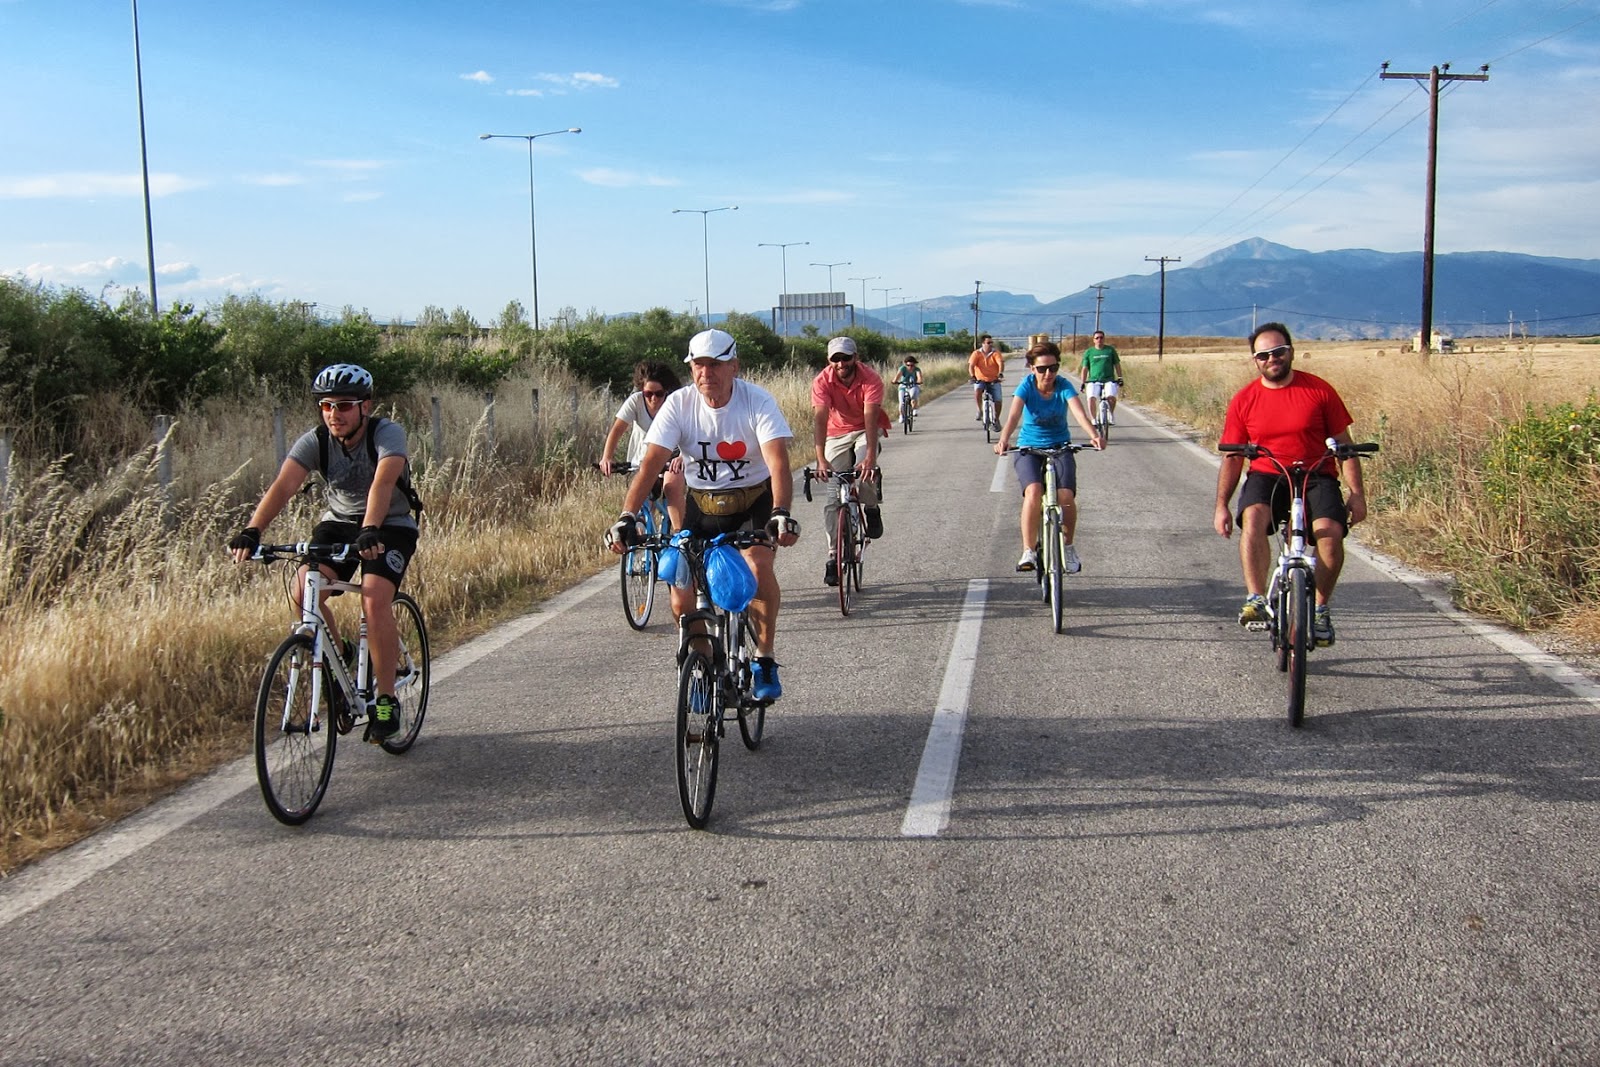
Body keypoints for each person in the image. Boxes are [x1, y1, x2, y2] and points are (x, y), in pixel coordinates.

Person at [604, 329, 800, 699]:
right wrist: (627, 516)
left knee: (758, 568)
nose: (705, 373)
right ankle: (702, 666)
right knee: (682, 594)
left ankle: (764, 658)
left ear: (734, 367)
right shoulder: (679, 404)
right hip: (704, 504)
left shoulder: (757, 402)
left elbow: (778, 464)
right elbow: (650, 465)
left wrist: (780, 512)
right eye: (698, 365)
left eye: (715, 364)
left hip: (753, 501)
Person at [228, 363, 419, 742]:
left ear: (365, 406)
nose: (334, 414)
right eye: (327, 406)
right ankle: (340, 655)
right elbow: (283, 486)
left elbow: (382, 484)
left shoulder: (387, 434)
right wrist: (253, 530)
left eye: (344, 405)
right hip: (339, 523)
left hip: (389, 525)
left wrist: (370, 528)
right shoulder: (315, 441)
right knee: (305, 593)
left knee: (373, 599)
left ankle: (385, 700)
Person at [1213, 322, 1368, 647]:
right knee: (1253, 519)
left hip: (1316, 474)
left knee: (1330, 534)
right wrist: (1222, 506)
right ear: (1255, 360)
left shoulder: (1319, 391)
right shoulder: (1244, 399)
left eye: (1278, 351)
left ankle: (1320, 611)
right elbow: (1233, 456)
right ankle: (1256, 599)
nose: (1272, 359)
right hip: (1268, 474)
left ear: (1291, 352)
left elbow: (1345, 446)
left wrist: (1357, 494)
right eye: (1264, 355)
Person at [992, 340, 1104, 573]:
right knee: (1033, 492)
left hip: (1060, 446)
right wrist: (1003, 439)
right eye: (1042, 369)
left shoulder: (1063, 385)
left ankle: (1068, 547)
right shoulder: (1026, 385)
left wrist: (1094, 435)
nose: (1048, 373)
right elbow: (1013, 416)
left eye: (1053, 368)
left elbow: (1079, 413)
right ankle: (1028, 551)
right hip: (1029, 448)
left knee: (1065, 496)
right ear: (1032, 368)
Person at [811, 336, 885, 587]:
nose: (841, 363)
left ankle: (871, 508)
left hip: (865, 429)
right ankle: (833, 555)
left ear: (856, 358)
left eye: (846, 358)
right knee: (833, 496)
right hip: (836, 434)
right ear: (829, 360)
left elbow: (871, 417)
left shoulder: (871, 378)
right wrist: (820, 459)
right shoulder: (822, 381)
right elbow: (820, 419)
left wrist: (870, 458)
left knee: (865, 471)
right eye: (836, 359)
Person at [600, 360, 686, 530]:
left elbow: (688, 431)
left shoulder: (675, 403)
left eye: (659, 394)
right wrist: (607, 457)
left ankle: (680, 536)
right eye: (648, 394)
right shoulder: (635, 401)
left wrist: (683, 457)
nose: (653, 399)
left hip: (671, 459)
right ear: (642, 391)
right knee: (641, 501)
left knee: (672, 486)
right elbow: (617, 429)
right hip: (642, 459)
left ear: (666, 391)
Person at [1079, 330, 1124, 423]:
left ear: (1104, 339)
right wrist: (1083, 382)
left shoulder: (1110, 350)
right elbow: (1085, 368)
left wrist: (1120, 378)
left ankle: (1110, 413)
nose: (1099, 339)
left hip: (1109, 379)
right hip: (1093, 380)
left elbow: (1117, 364)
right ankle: (1093, 419)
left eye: (1101, 337)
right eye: (1097, 338)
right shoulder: (1089, 352)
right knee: (1091, 398)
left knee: (1111, 397)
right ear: (1093, 340)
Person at [969, 334, 1004, 421]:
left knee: (998, 400)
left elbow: (1000, 363)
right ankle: (979, 410)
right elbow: (971, 366)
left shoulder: (996, 353)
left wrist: (1000, 373)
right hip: (980, 379)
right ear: (983, 343)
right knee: (977, 391)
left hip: (993, 380)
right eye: (988, 343)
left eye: (991, 342)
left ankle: (996, 419)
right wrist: (973, 376)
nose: (991, 344)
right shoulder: (976, 353)